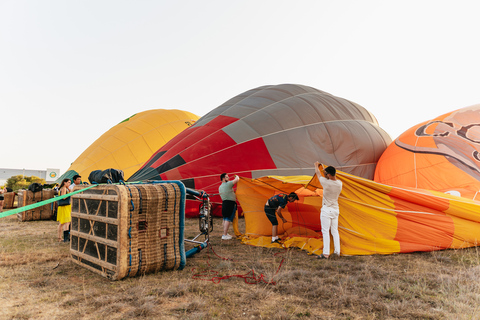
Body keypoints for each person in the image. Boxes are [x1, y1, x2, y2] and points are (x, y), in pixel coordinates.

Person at [314, 162, 343, 259]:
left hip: (327, 210)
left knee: (325, 231)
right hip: (335, 210)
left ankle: (326, 253)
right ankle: (337, 252)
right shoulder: (339, 183)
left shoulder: (326, 182)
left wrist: (316, 166)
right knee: (335, 231)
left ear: (329, 175)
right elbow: (325, 176)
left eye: (325, 173)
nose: (324, 175)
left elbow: (318, 174)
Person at [218, 173, 240, 240]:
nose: (228, 178)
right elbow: (237, 180)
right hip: (230, 203)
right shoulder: (228, 184)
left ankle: (225, 233)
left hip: (224, 203)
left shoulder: (220, 187)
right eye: (227, 177)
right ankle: (224, 235)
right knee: (227, 219)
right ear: (223, 178)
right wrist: (237, 176)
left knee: (225, 218)